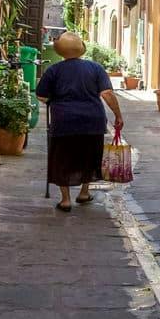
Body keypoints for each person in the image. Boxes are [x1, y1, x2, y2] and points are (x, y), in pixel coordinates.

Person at [34, 32, 122, 212]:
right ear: (81, 49)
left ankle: (65, 200)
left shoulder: (53, 70)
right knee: (89, 156)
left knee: (62, 159)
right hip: (93, 121)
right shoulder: (95, 68)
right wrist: (118, 115)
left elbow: (41, 95)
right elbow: (107, 94)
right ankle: (84, 192)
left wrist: (54, 101)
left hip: (64, 121)